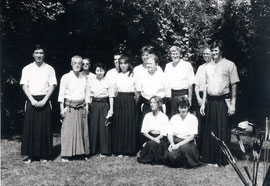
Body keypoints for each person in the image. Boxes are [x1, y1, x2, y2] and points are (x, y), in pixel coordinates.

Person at [200, 40, 240, 166]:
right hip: (211, 102)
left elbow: (234, 86)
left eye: (216, 50)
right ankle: (209, 159)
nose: (214, 53)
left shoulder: (230, 65)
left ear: (221, 51)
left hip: (224, 101)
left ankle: (221, 159)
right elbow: (206, 87)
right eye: (212, 50)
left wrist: (233, 104)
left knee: (222, 130)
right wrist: (203, 103)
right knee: (210, 130)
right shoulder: (207, 67)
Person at [20, 45, 57, 163]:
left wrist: (45, 100)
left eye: (41, 53)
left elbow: (53, 85)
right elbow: (24, 85)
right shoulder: (27, 68)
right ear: (33, 54)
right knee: (30, 128)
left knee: (44, 128)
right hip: (31, 99)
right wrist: (32, 100)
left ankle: (44, 155)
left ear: (44, 54)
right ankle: (30, 155)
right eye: (36, 53)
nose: (39, 55)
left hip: (45, 99)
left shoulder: (50, 69)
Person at [58, 55, 90, 162]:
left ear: (81, 65)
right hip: (69, 107)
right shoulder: (65, 77)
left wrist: (87, 106)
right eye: (75, 63)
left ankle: (82, 152)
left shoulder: (84, 78)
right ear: (71, 64)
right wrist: (61, 108)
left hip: (82, 106)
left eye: (79, 63)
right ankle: (66, 154)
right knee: (68, 131)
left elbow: (87, 94)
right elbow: (61, 94)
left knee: (82, 130)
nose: (77, 65)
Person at [137, 54, 171, 148]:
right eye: (147, 63)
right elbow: (140, 91)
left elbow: (168, 94)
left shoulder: (163, 76)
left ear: (156, 64)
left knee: (160, 126)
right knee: (145, 126)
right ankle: (145, 147)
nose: (148, 65)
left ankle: (161, 147)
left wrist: (162, 105)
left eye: (151, 63)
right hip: (147, 103)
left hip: (159, 104)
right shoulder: (143, 76)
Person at [164, 97, 202, 168]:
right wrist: (172, 144)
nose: (183, 110)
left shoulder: (193, 118)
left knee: (184, 148)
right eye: (181, 107)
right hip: (176, 141)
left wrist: (178, 145)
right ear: (178, 108)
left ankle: (186, 160)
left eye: (185, 107)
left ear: (188, 108)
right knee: (170, 156)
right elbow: (169, 134)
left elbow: (192, 136)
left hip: (188, 143)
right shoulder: (174, 118)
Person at [112, 55, 137, 156]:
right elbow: (114, 91)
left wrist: (134, 102)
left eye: (125, 63)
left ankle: (128, 150)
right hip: (119, 100)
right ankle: (119, 150)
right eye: (121, 63)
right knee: (119, 124)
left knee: (129, 124)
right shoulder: (117, 76)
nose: (123, 66)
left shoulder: (133, 75)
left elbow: (137, 91)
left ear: (128, 64)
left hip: (130, 100)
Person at [88, 62, 114, 157]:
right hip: (94, 104)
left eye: (101, 70)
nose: (99, 72)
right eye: (97, 70)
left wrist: (111, 109)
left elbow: (111, 96)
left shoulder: (108, 81)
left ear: (104, 71)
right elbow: (88, 94)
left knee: (104, 126)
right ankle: (92, 150)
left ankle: (105, 151)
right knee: (93, 126)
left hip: (104, 104)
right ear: (95, 71)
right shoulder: (91, 81)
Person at [137, 96, 169, 164]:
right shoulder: (147, 115)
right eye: (150, 102)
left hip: (161, 139)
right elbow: (144, 131)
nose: (151, 104)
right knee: (151, 143)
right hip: (150, 138)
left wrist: (157, 139)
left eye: (154, 103)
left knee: (153, 144)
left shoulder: (164, 117)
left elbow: (164, 133)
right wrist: (153, 139)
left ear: (159, 104)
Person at [164, 45, 195, 118]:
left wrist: (189, 99)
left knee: (183, 118)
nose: (175, 56)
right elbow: (165, 82)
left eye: (177, 54)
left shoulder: (187, 65)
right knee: (172, 118)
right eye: (173, 54)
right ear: (170, 55)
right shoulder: (168, 66)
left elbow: (190, 84)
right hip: (171, 97)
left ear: (180, 54)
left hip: (183, 95)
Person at [194, 46, 212, 155]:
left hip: (210, 96)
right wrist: (198, 98)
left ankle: (208, 150)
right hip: (200, 96)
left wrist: (205, 99)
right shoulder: (200, 68)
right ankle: (199, 150)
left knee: (208, 124)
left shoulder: (215, 67)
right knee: (200, 124)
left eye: (207, 53)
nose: (205, 55)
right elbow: (196, 85)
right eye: (204, 53)